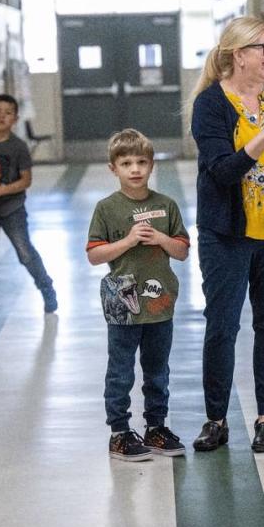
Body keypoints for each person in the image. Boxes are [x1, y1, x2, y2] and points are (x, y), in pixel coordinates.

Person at [189, 16, 264, 454]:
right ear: (240, 55)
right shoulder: (211, 104)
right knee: (223, 324)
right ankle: (216, 419)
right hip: (226, 233)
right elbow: (222, 170)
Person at [87, 129, 190, 461]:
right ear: (113, 168)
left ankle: (156, 426)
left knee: (158, 369)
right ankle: (119, 432)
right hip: (122, 302)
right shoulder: (107, 209)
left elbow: (182, 252)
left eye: (142, 162)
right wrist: (129, 241)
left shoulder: (166, 205)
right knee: (121, 369)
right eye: (126, 163)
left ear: (151, 165)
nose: (135, 169)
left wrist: (160, 238)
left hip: (159, 303)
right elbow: (95, 255)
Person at [0, 94, 58, 322]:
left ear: (15, 119)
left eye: (7, 113)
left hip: (12, 209)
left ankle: (46, 286)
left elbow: (26, 180)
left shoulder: (18, 147)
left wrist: (0, 191)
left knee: (25, 252)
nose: (1, 116)